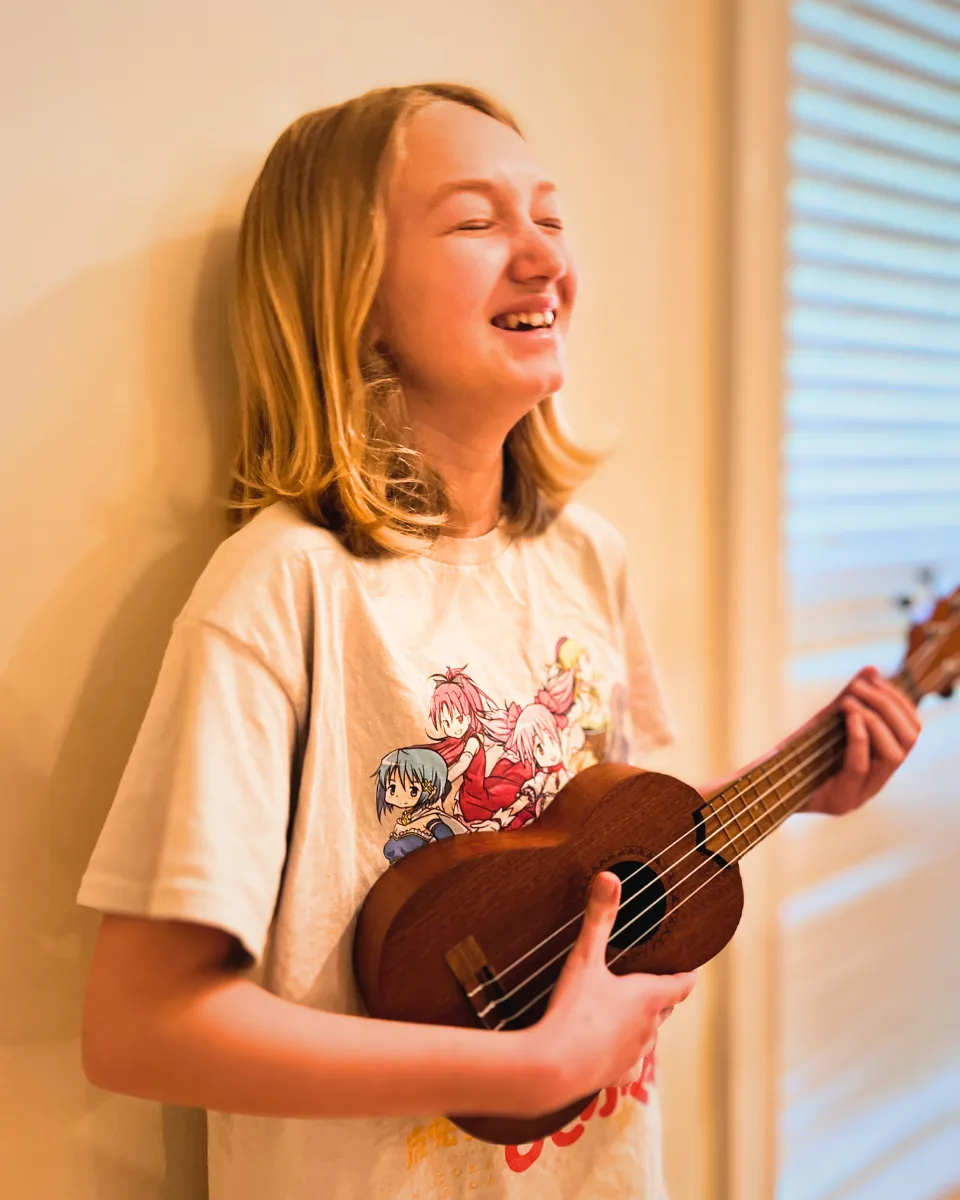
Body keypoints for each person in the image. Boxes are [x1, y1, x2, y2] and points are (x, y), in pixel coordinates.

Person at [77, 82, 921, 1200]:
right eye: (478, 222)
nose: (543, 260)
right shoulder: (287, 589)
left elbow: (597, 847)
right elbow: (141, 1025)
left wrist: (794, 783)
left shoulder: (587, 557)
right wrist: (525, 1060)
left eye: (553, 220)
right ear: (354, 297)